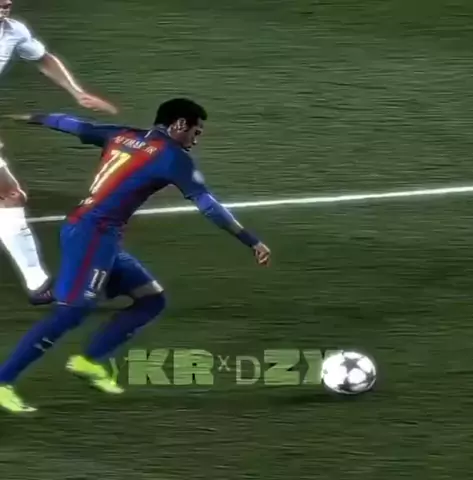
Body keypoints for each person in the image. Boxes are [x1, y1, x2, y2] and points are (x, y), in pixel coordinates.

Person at [0, 98, 271, 413]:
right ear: (179, 124)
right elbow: (209, 207)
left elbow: (75, 125)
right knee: (71, 313)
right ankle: (3, 381)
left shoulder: (123, 134)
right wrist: (251, 241)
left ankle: (89, 361)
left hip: (97, 234)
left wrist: (33, 116)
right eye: (195, 132)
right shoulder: (173, 157)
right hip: (92, 236)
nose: (195, 140)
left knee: (151, 299)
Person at [0, 0, 117, 305]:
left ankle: (37, 284)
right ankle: (37, 284)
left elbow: (43, 58)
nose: (5, 3)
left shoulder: (14, 31)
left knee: (9, 196)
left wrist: (77, 92)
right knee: (8, 196)